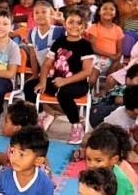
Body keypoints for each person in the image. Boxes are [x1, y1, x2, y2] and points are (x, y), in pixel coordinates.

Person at [35, 8, 95, 144]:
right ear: (65, 23)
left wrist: (65, 81)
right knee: (30, 87)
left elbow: (86, 72)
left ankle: (76, 125)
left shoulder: (86, 46)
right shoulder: (59, 42)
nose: (74, 26)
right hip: (57, 81)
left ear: (84, 26)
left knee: (64, 94)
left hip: (77, 83)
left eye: (79, 23)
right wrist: (43, 81)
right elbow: (46, 65)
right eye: (71, 22)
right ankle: (47, 111)